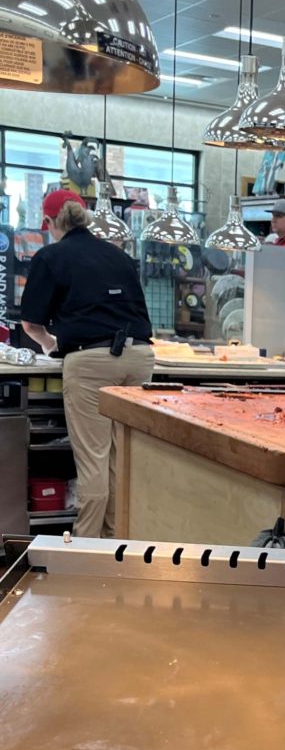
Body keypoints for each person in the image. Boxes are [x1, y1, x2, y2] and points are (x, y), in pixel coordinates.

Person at [20, 189, 155, 538]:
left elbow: (31, 325)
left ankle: (85, 548)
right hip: (139, 358)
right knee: (120, 459)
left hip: (92, 361)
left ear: (49, 222)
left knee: (94, 458)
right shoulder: (119, 256)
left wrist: (51, 345)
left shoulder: (51, 256)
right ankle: (117, 544)